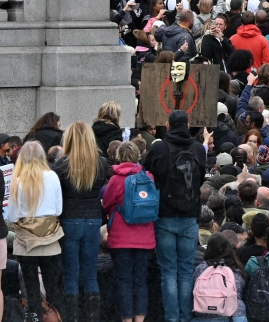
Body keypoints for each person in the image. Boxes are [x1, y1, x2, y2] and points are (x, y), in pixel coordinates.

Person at [143, 110, 207, 322]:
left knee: (168, 271)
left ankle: (172, 318)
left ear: (168, 126)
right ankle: (185, 317)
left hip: (165, 215)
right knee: (186, 271)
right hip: (190, 216)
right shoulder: (198, 149)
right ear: (188, 125)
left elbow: (146, 172)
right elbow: (200, 180)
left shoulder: (159, 148)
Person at [52, 122, 108, 322]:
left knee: (70, 275)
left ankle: (72, 318)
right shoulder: (100, 163)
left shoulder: (62, 164)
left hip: (69, 221)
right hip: (93, 220)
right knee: (91, 274)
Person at [9, 140, 65, 322]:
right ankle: (58, 317)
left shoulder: (18, 181)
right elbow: (58, 211)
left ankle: (35, 317)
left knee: (31, 286)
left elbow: (12, 216)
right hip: (50, 239)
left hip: (26, 241)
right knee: (53, 286)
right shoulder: (53, 176)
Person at [102, 140, 156, 322]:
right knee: (140, 280)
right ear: (138, 156)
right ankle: (140, 319)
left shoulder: (115, 180)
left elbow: (107, 204)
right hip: (145, 237)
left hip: (121, 238)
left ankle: (126, 320)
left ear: (118, 157)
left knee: (124, 281)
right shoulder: (148, 177)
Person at [192, 234, 247, 322]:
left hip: (202, 315)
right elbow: (239, 292)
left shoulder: (202, 268)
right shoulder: (234, 268)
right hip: (229, 315)